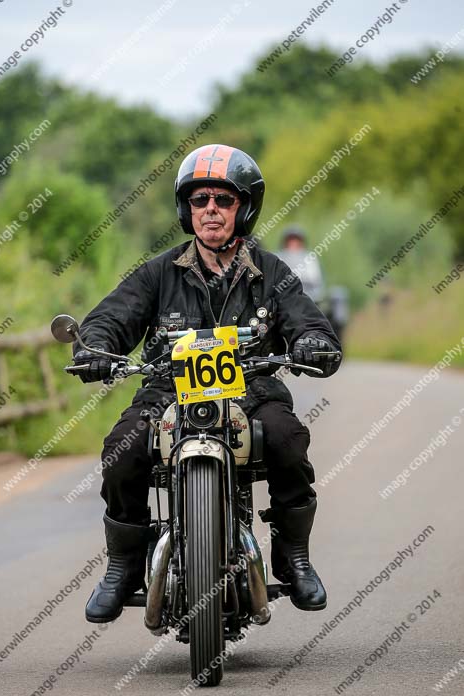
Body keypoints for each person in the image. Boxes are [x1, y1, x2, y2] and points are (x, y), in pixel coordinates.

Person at [72, 144, 342, 624]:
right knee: (123, 448)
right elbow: (110, 318)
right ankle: (123, 565)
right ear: (186, 209)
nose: (211, 210)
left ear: (246, 207)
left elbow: (308, 322)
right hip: (168, 391)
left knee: (286, 440)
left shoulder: (273, 274)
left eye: (223, 199)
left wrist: (313, 343)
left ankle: (293, 557)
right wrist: (94, 347)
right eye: (200, 200)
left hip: (251, 391)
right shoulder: (158, 273)